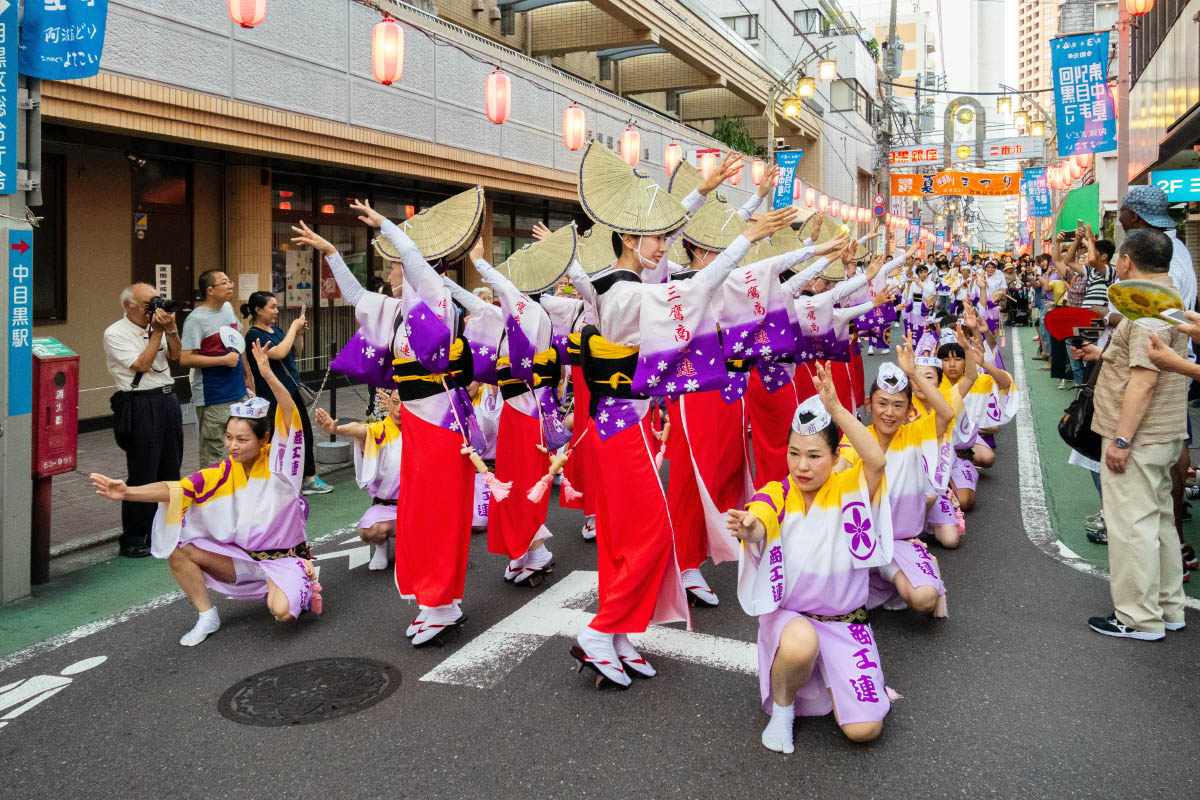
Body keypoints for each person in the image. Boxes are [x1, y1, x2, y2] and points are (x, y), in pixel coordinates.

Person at [292, 194, 479, 647]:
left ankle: (439, 601)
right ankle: (441, 603)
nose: (392, 273)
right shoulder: (398, 314)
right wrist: (331, 253)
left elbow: (416, 261)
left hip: (440, 423)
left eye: (395, 266)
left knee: (436, 515)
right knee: (422, 514)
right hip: (417, 422)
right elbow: (357, 296)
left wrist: (387, 227)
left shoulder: (436, 302)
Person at [89, 340, 321, 647]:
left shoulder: (282, 466)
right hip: (243, 561)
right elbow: (176, 490)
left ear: (264, 439)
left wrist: (267, 373)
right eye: (228, 437)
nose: (232, 446)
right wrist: (128, 492)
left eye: (242, 439)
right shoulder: (223, 472)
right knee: (177, 547)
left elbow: (290, 413)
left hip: (283, 559)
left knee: (281, 613)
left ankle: (300, 577)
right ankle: (207, 615)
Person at [727, 363, 894, 751]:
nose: (802, 466)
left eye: (815, 455)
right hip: (793, 621)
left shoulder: (850, 487)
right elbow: (760, 520)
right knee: (801, 642)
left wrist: (836, 408)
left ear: (836, 458)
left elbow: (877, 461)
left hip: (845, 622)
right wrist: (749, 526)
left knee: (864, 730)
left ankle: (834, 674)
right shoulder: (778, 491)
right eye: (794, 453)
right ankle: (784, 710)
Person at [1073, 229, 1188, 640]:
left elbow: (1143, 379)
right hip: (1165, 432)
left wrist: (1121, 440)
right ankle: (1169, 607)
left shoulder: (1143, 306)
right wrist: (1103, 353)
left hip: (1140, 435)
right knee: (1157, 522)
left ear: (1126, 262)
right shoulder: (1170, 298)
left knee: (1130, 526)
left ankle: (1138, 617)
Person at [102, 283, 184, 558]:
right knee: (143, 472)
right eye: (149, 303)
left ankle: (169, 530)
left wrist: (171, 329)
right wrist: (157, 332)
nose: (155, 307)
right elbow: (142, 365)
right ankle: (134, 537)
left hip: (167, 399)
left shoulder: (158, 325)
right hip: (140, 403)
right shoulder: (115, 333)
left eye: (156, 301)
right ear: (130, 306)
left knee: (171, 469)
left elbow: (176, 355)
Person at [242, 291, 331, 495]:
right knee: (277, 439)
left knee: (303, 434)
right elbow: (279, 353)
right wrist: (293, 328)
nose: (276, 311)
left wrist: (298, 334)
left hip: (292, 391)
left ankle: (308, 478)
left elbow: (295, 352)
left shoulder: (276, 329)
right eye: (272, 307)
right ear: (258, 310)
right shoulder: (253, 335)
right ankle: (278, 480)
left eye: (276, 306)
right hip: (272, 396)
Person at [315, 390, 401, 572]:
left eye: (406, 403)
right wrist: (336, 429)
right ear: (388, 404)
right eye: (395, 402)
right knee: (369, 530)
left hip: (419, 508)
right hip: (388, 507)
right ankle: (381, 546)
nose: (400, 409)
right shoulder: (379, 430)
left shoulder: (424, 432)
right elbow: (359, 428)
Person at [180, 270, 254, 468]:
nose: (230, 285)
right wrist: (222, 361)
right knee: (215, 454)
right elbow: (185, 358)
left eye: (230, 281)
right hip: (213, 396)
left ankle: (236, 495)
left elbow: (239, 342)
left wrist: (247, 375)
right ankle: (211, 497)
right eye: (225, 282)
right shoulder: (196, 319)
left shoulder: (228, 308)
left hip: (238, 391)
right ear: (210, 290)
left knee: (242, 449)